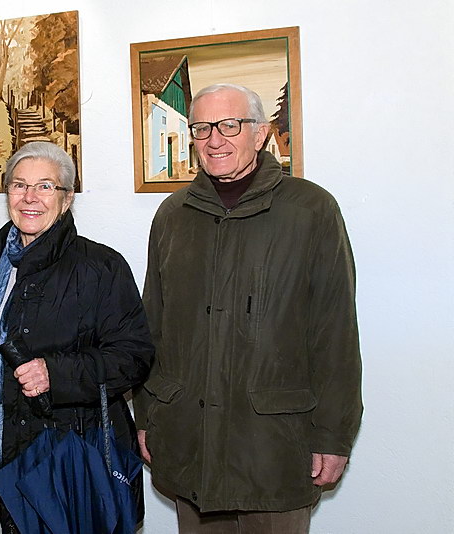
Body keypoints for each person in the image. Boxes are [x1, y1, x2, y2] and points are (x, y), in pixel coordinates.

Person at [134, 84, 362, 533]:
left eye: (229, 125)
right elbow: (153, 328)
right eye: (202, 128)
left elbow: (335, 333)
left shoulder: (311, 210)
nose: (214, 139)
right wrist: (147, 417)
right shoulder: (173, 215)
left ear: (260, 134)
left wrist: (334, 435)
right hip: (190, 441)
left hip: (274, 447)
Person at [0, 141, 154, 533]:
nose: (30, 197)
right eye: (19, 185)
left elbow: (134, 356)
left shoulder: (100, 266)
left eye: (45, 186)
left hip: (67, 457)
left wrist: (57, 373)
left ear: (66, 200)